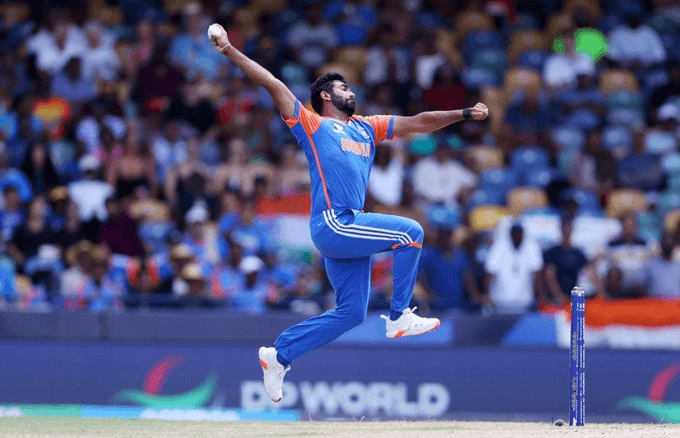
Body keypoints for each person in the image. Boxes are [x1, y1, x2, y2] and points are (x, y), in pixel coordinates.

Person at [208, 23, 488, 403]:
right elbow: (272, 83)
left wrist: (464, 113)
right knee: (411, 232)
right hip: (334, 223)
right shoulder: (313, 124)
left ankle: (279, 355)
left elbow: (420, 122)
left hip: (347, 228)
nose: (351, 91)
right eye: (343, 88)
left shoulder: (367, 128)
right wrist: (229, 50)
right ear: (325, 96)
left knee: (353, 313)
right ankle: (399, 315)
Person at [543, 219, 589, 305]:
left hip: (572, 299)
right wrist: (559, 296)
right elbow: (550, 276)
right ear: (561, 230)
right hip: (556, 300)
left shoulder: (578, 254)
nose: (567, 231)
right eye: (565, 228)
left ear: (572, 230)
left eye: (569, 228)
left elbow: (589, 273)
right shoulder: (553, 252)